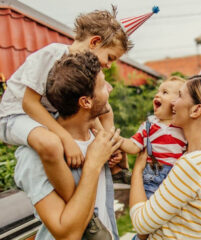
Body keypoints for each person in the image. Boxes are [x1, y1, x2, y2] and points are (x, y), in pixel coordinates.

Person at [0, 6, 132, 204]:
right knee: (50, 143)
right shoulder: (53, 54)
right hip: (16, 115)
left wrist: (106, 143)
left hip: (47, 115)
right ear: (95, 42)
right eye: (110, 57)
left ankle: (116, 168)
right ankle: (77, 205)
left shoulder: (82, 72)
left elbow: (93, 112)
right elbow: (29, 104)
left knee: (104, 108)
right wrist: (65, 139)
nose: (109, 64)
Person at [15, 52, 122, 239]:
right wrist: (93, 164)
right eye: (103, 85)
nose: (110, 89)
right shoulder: (36, 154)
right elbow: (68, 235)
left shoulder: (96, 137)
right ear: (86, 101)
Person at [129, 74, 201, 239]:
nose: (173, 103)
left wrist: (137, 170)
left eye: (179, 95)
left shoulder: (192, 164)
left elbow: (141, 223)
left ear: (196, 110)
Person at [118, 76, 187, 240]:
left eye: (164, 92)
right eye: (158, 91)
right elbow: (134, 147)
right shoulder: (149, 126)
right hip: (152, 176)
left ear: (178, 102)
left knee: (168, 220)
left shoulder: (183, 127)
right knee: (146, 220)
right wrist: (117, 140)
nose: (157, 95)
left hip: (175, 179)